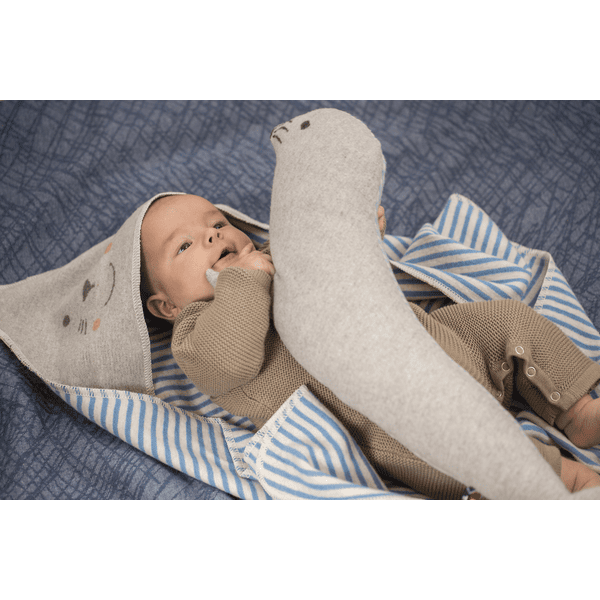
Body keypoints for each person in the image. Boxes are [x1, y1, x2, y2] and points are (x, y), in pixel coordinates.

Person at [140, 193, 600, 497]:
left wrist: (353, 230)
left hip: (440, 343)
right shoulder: (195, 336)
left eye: (217, 222)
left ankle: (576, 411)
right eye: (184, 246)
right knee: (455, 446)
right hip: (392, 414)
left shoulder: (276, 256)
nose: (212, 235)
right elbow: (232, 358)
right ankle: (567, 481)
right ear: (167, 307)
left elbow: (340, 260)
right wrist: (244, 281)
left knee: (502, 318)